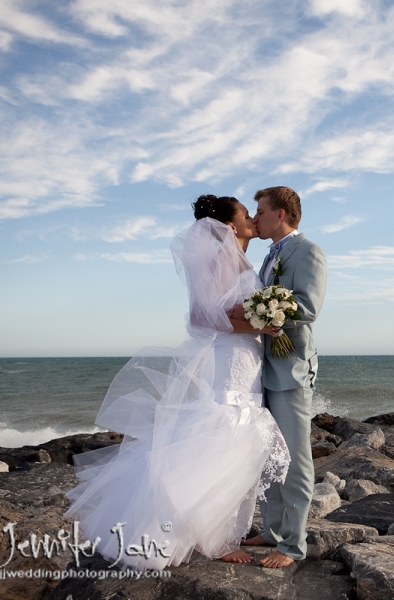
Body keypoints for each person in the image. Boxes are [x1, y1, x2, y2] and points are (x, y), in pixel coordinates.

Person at [65, 195, 290, 570]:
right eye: (245, 213)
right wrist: (261, 323)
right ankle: (213, 539)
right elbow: (202, 316)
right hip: (230, 356)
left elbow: (231, 310)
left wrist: (259, 323)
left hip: (245, 356)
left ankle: (222, 528)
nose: (252, 217)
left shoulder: (239, 258)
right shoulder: (221, 258)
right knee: (225, 431)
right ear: (230, 226)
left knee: (237, 433)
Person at [240, 186, 327, 568]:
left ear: (281, 214)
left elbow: (307, 307)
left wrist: (266, 315)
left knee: (294, 460)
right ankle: (272, 529)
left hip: (291, 369)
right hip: (265, 369)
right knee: (267, 455)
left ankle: (293, 545)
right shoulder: (267, 256)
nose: (254, 219)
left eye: (259, 211)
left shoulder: (308, 251)